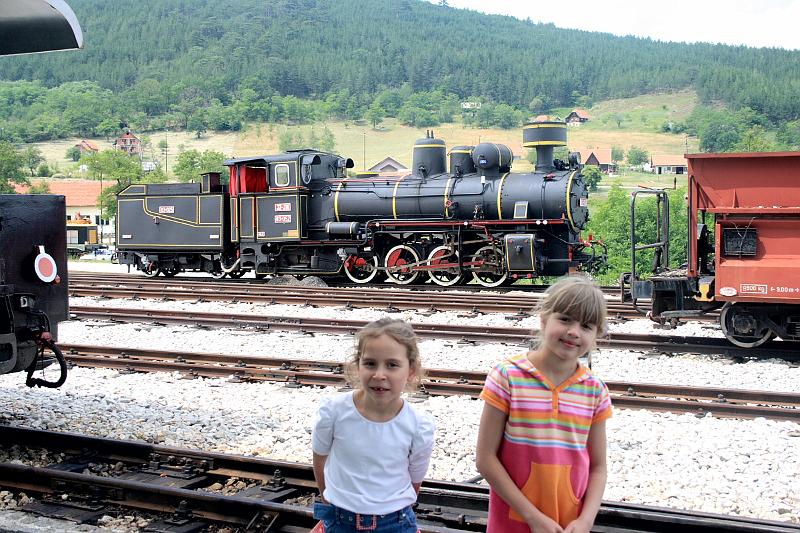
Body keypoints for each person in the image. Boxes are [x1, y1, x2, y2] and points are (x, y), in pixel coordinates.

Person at [476, 276, 612, 533]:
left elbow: (598, 467)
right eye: (565, 319)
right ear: (543, 319)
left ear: (596, 335)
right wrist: (532, 517)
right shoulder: (507, 377)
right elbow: (485, 459)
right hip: (511, 525)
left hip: (567, 526)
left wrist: (585, 520)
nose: (574, 331)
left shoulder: (595, 391)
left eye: (586, 326)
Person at [311, 318, 435, 533]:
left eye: (392, 365)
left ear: (411, 370)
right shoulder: (334, 412)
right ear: (358, 365)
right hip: (341, 521)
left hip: (396, 523)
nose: (379, 375)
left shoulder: (418, 425)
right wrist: (328, 498)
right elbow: (319, 457)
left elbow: (415, 479)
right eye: (370, 363)